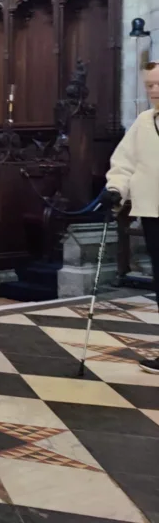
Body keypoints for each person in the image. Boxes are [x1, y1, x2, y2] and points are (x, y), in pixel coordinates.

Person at [103, 61, 159, 374]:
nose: (153, 90)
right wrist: (115, 189)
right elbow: (124, 163)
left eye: (158, 83)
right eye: (149, 84)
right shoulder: (143, 122)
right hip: (153, 212)